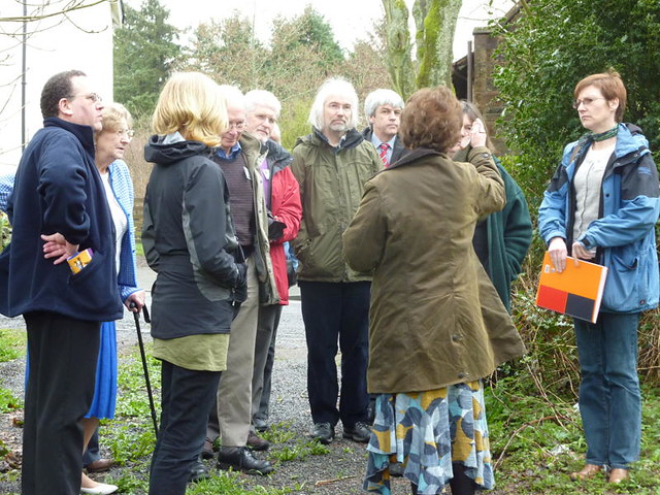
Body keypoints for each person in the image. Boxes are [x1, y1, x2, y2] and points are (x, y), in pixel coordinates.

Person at [343, 85, 526, 495]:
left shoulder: (384, 187)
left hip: (409, 339)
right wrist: (479, 150)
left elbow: (356, 254)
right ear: (451, 135)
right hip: (459, 337)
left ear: (407, 131)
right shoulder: (465, 180)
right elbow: (495, 191)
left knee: (419, 444)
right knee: (462, 440)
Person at [0, 70, 123, 495]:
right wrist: (71, 234)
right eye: (92, 96)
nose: (100, 104)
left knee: (47, 408)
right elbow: (58, 181)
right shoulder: (61, 142)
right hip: (68, 297)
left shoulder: (50, 141)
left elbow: (17, 201)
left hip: (55, 298)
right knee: (65, 411)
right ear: (65, 106)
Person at [538, 70, 660, 484]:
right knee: (591, 369)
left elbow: (644, 211)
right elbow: (551, 199)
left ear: (613, 104)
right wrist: (555, 234)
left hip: (620, 276)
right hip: (574, 273)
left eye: (589, 100)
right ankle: (595, 456)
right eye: (579, 101)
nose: (581, 107)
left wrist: (593, 235)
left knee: (621, 371)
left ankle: (621, 462)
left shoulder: (635, 154)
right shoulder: (574, 151)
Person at [142, 71, 246, 495]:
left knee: (174, 432)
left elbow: (150, 245)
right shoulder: (201, 169)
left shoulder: (162, 168)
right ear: (203, 109)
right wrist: (238, 278)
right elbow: (210, 252)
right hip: (200, 316)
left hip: (172, 309)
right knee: (183, 441)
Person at [291, 77, 382, 445]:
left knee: (359, 349)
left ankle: (355, 417)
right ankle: (323, 418)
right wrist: (305, 250)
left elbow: (381, 207)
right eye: (333, 105)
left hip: (361, 271)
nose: (340, 112)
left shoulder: (367, 154)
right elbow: (291, 209)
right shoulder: (302, 154)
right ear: (321, 110)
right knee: (321, 349)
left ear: (353, 112)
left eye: (346, 106)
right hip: (318, 271)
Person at [204, 85, 278, 476]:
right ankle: (199, 438)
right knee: (203, 357)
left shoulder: (251, 155)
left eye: (237, 123)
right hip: (207, 270)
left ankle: (233, 442)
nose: (233, 130)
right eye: (227, 123)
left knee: (241, 360)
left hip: (247, 264)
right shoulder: (197, 157)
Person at [76, 103, 146, 494]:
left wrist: (128, 285)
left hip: (105, 295)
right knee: (78, 387)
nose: (125, 139)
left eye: (129, 131)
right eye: (118, 131)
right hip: (75, 297)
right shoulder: (75, 166)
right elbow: (12, 189)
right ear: (96, 134)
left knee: (102, 391)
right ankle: (67, 469)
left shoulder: (118, 173)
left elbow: (126, 236)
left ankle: (74, 464)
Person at [243, 89, 302, 434]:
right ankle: (218, 424)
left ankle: (249, 422)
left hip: (272, 267)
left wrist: (274, 228)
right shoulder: (231, 157)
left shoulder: (278, 163)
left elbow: (294, 210)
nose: (266, 124)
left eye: (271, 118)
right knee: (233, 350)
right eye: (260, 117)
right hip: (237, 265)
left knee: (260, 348)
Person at [453, 101, 533, 311]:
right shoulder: (435, 170)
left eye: (468, 128)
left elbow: (521, 226)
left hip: (486, 285)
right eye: (457, 127)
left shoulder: (495, 172)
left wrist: (503, 267)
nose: (462, 133)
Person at [362, 89, 407, 167]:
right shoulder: (356, 147)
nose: (393, 117)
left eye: (397, 112)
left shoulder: (410, 147)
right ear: (371, 117)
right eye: (385, 112)